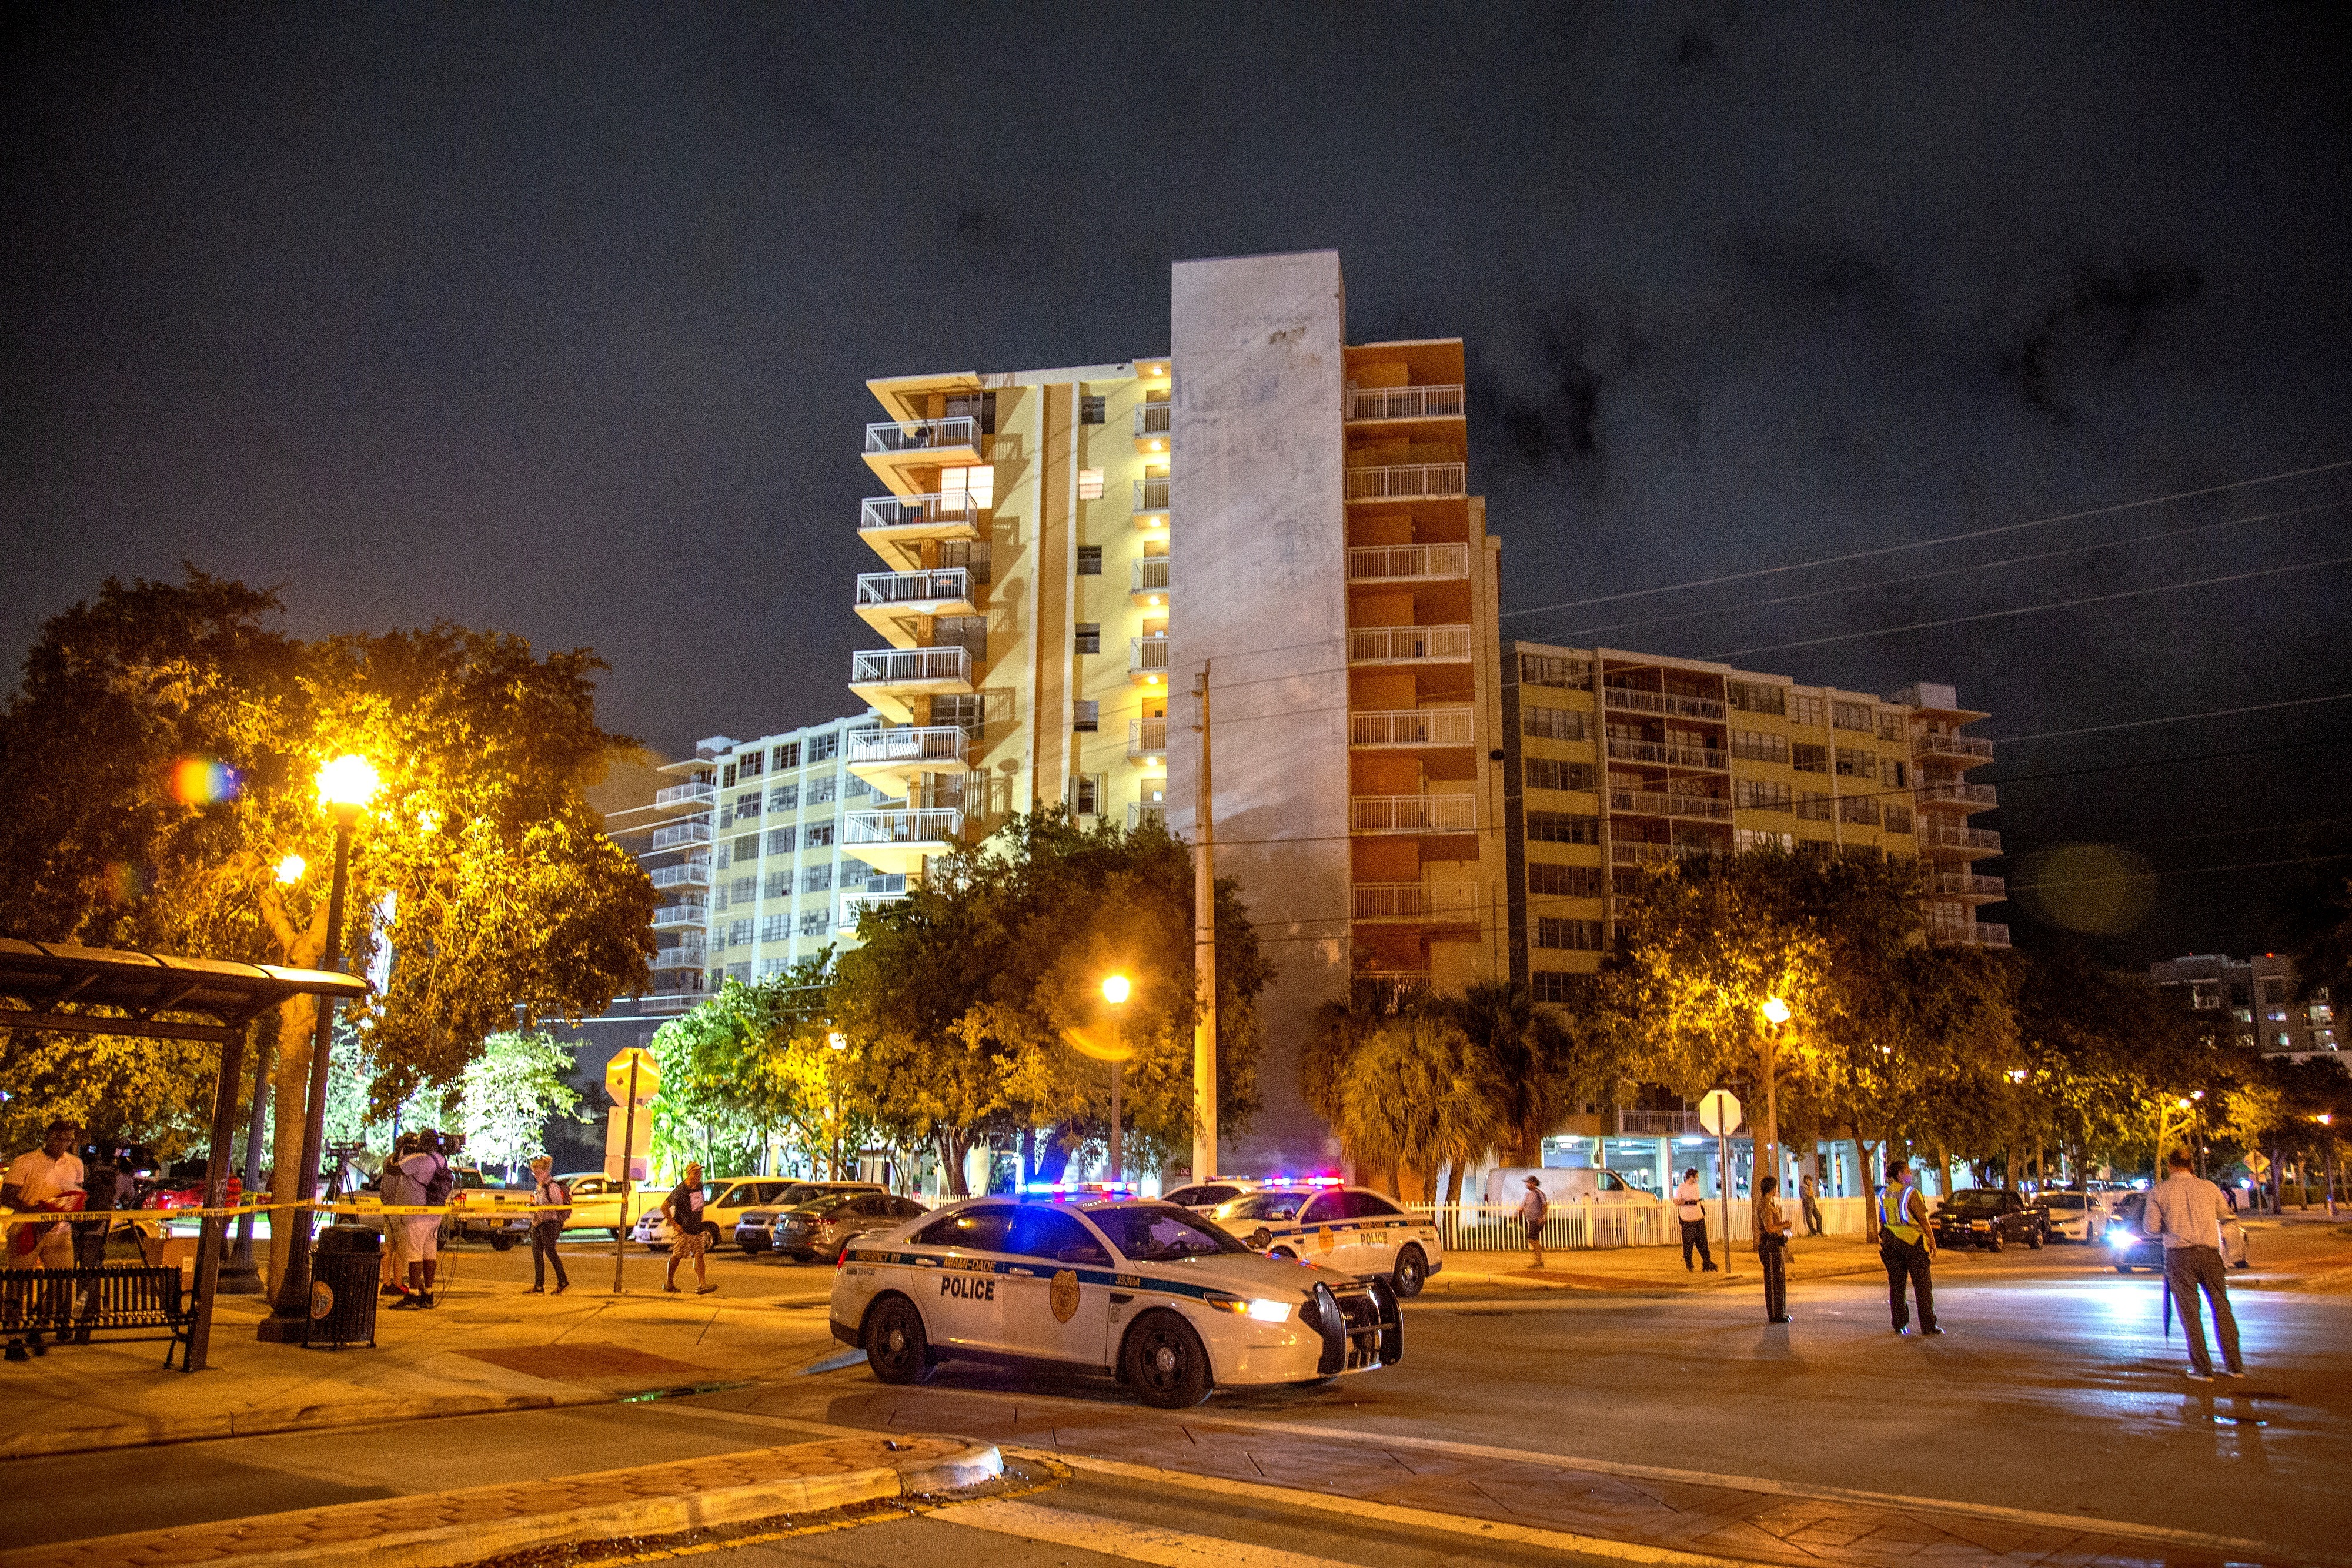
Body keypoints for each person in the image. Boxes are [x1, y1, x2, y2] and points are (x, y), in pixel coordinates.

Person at [2143, 1147, 2243, 1381]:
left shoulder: (2160, 1192)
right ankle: (2235, 1366)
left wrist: (2174, 1224)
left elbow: (2151, 1228)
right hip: (2210, 1253)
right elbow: (2225, 1215)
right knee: (2221, 1307)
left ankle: (2203, 1369)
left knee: (2190, 1312)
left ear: (2170, 1165)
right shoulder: (2209, 1188)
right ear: (2192, 1165)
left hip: (2180, 1256)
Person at [4, 1119, 87, 1273]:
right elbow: (6, 1196)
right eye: (59, 1139)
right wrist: (36, 1214)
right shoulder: (25, 1162)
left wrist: (74, 1210)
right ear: (47, 1136)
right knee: (19, 1285)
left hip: (61, 1233)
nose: (62, 1144)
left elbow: (78, 1195)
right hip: (25, 1230)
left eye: (68, 1140)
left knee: (63, 1286)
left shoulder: (75, 1163)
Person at [382, 1129, 447, 1310]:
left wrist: (399, 1150)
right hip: (434, 1214)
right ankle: (428, 1293)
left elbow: (391, 1168)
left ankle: (412, 1296)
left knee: (414, 1255)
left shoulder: (418, 1159)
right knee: (430, 1254)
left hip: (416, 1215)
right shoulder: (441, 1159)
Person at [1878, 1159, 1940, 1335]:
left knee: (1897, 1286)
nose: (1910, 1174)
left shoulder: (1884, 1194)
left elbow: (1882, 1220)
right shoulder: (1911, 1193)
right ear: (1900, 1174)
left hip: (1890, 1244)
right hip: (1913, 1244)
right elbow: (1923, 1220)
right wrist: (1932, 1241)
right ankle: (1928, 1326)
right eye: (1908, 1171)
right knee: (1922, 1286)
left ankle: (1899, 1324)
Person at [662, 1161, 716, 1295]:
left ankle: (702, 1284)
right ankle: (669, 1283)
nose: (699, 1175)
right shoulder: (681, 1190)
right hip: (684, 1230)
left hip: (697, 1228)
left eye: (700, 1172)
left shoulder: (699, 1187)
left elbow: (698, 1207)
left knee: (699, 1255)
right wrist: (675, 1224)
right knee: (677, 1256)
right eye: (696, 1172)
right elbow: (664, 1207)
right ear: (689, 1174)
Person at [527, 1156, 570, 1295]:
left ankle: (563, 1282)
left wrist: (542, 1207)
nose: (536, 1176)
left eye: (539, 1173)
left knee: (550, 1252)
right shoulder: (539, 1186)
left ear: (546, 1171)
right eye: (534, 1173)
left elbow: (558, 1205)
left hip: (549, 1223)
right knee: (537, 1253)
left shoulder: (551, 1186)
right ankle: (539, 1286)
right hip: (538, 1222)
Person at [1756, 1175, 1793, 1322]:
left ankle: (1780, 1312)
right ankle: (1775, 1314)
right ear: (1772, 1188)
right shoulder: (1765, 1205)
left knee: (1778, 1279)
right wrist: (1783, 1226)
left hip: (1775, 1243)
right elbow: (1769, 1228)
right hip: (1769, 1245)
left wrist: (1783, 1223)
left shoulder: (1769, 1204)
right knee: (1773, 1280)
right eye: (1775, 1187)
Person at [1674, 1168, 1717, 1272]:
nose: (1697, 1178)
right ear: (1691, 1176)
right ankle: (1689, 1263)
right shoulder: (1682, 1187)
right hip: (1687, 1219)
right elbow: (1676, 1201)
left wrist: (1700, 1207)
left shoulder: (1696, 1186)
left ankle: (1707, 1262)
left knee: (1703, 1242)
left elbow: (1697, 1200)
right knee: (1688, 1243)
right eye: (1696, 1176)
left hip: (1699, 1217)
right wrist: (1689, 1203)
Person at [1517, 1175, 1548, 1269]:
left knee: (1532, 1239)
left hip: (1537, 1220)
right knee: (1534, 1240)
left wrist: (1541, 1217)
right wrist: (1519, 1213)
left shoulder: (1539, 1193)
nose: (1527, 1184)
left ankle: (1539, 1261)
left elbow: (1545, 1205)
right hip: (1531, 1220)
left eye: (1529, 1183)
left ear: (1534, 1184)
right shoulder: (1528, 1194)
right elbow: (1523, 1206)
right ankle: (1538, 1260)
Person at [1799, 1171, 1825, 1237]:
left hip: (1812, 1201)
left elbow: (1812, 1195)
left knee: (1819, 1216)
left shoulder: (1808, 1185)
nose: (1811, 1181)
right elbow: (1809, 1195)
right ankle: (1814, 1232)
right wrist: (1810, 1187)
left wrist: (1810, 1186)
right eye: (1810, 1180)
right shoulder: (1803, 1186)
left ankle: (1820, 1231)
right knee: (1809, 1218)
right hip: (1807, 1202)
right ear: (1806, 1180)